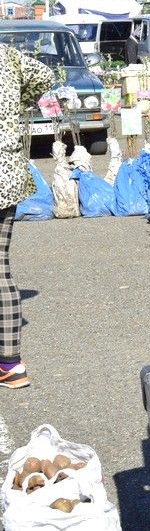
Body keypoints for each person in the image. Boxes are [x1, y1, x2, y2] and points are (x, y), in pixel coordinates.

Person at [0, 40, 57, 388]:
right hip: (6, 169)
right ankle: (10, 364)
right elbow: (45, 75)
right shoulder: (8, 55)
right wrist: (19, 98)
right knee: (0, 265)